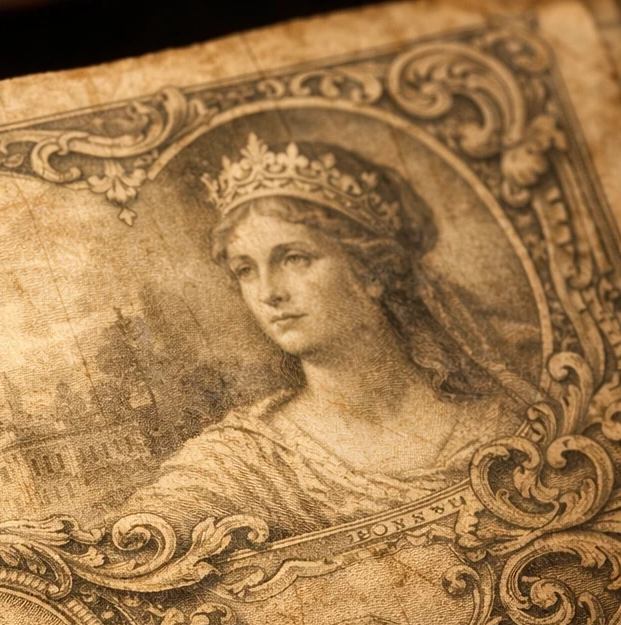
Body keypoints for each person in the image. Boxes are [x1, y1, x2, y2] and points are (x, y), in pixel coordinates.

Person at [123, 134, 540, 539]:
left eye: (294, 258)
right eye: (246, 270)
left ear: (371, 270)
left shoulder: (506, 418)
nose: (269, 292)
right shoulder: (238, 464)